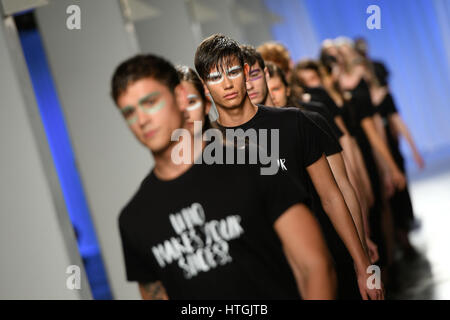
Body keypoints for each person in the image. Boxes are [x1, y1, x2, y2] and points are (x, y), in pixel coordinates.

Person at [111, 53, 336, 299]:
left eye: (151, 102)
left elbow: (315, 265)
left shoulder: (253, 163)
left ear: (179, 97)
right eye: (129, 112)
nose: (142, 120)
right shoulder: (135, 217)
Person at [195, 34, 383, 300]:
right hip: (262, 277)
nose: (226, 84)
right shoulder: (205, 146)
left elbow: (331, 196)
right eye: (214, 77)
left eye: (233, 72)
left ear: (246, 72)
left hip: (324, 259)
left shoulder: (294, 122)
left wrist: (364, 265)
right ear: (204, 87)